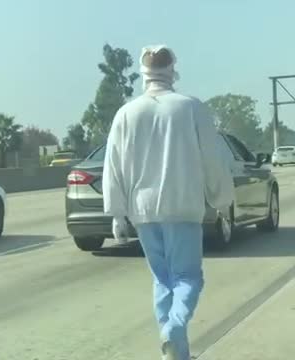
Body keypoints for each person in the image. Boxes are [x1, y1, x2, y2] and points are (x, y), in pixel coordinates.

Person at [102, 45, 234, 360]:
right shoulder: (191, 107)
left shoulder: (126, 113)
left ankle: (176, 354)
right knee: (188, 277)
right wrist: (221, 198)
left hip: (143, 210)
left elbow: (113, 166)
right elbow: (213, 160)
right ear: (173, 69)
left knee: (162, 279)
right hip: (183, 205)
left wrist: (117, 214)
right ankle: (173, 329)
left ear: (142, 73)